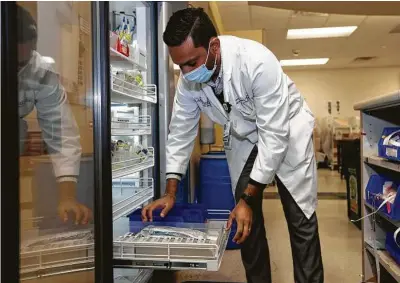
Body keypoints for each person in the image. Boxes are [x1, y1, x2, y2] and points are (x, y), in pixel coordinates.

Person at [142, 7, 324, 283]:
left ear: (213, 45)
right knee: (243, 219)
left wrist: (249, 198)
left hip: (286, 132)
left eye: (192, 62)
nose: (187, 72)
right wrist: (170, 192)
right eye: (180, 66)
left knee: (300, 220)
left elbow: (273, 136)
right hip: (244, 139)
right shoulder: (189, 83)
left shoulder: (257, 62)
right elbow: (180, 132)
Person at [17, 5, 91, 225]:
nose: (18, 69)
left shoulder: (41, 72)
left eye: (23, 61)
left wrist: (67, 197)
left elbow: (61, 133)